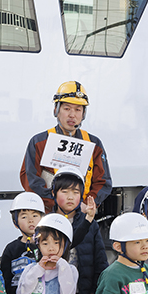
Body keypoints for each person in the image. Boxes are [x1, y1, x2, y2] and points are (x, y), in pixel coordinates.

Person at [20, 81, 112, 212]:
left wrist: (86, 205)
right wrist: (55, 204)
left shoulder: (94, 144)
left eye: (78, 110)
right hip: (48, 214)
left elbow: (103, 182)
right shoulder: (39, 142)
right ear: (56, 110)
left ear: (83, 114)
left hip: (83, 214)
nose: (72, 115)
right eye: (67, 108)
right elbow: (30, 179)